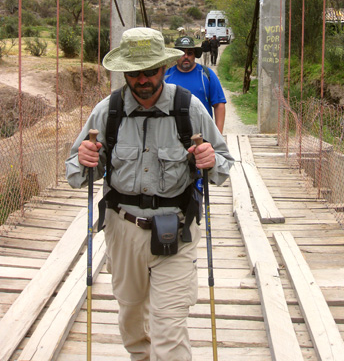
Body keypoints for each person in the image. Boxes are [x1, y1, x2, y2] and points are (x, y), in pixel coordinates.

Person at [65, 27, 234, 361]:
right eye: (134, 72)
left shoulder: (191, 109)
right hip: (122, 232)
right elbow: (76, 173)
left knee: (169, 335)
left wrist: (211, 161)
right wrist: (85, 160)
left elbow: (224, 166)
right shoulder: (106, 112)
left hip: (178, 232)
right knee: (133, 328)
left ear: (163, 68)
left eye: (150, 71)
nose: (142, 80)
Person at [165, 36, 226, 133]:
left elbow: (219, 105)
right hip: (172, 136)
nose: (185, 57)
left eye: (189, 53)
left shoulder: (207, 74)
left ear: (194, 55)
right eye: (181, 53)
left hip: (202, 135)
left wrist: (218, 135)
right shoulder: (166, 77)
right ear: (175, 56)